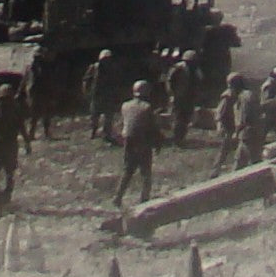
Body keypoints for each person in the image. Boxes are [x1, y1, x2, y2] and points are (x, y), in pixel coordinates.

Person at [113, 80, 164, 208]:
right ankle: (144, 199)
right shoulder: (147, 107)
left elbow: (124, 123)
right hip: (142, 141)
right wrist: (158, 143)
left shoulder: (125, 105)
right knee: (146, 172)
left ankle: (117, 197)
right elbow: (153, 128)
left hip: (128, 140)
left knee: (127, 170)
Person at [0, 83, 31, 213]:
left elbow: (22, 127)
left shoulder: (15, 109)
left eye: (8, 99)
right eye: (4, 99)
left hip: (10, 145)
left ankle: (7, 197)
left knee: (9, 173)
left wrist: (27, 142)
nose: (6, 102)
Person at [82, 49, 120, 143]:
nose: (107, 61)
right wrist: (86, 92)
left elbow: (116, 81)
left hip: (108, 94)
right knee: (94, 115)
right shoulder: (94, 67)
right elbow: (86, 80)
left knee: (108, 115)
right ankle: (93, 132)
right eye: (105, 59)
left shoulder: (112, 68)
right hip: (96, 95)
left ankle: (107, 133)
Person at [166, 49, 200, 147]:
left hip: (189, 97)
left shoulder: (195, 69)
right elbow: (169, 81)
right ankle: (176, 139)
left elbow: (199, 81)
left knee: (186, 118)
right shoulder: (178, 68)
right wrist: (172, 94)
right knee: (178, 118)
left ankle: (181, 138)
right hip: (178, 97)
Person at [20, 46, 56, 140]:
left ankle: (46, 133)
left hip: (43, 92)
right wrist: (20, 92)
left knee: (46, 114)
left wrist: (51, 93)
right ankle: (31, 134)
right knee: (34, 115)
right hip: (33, 93)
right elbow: (24, 80)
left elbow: (49, 80)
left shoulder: (45, 67)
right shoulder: (30, 68)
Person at [209, 73, 239, 178]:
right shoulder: (228, 96)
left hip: (233, 124)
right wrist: (219, 125)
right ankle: (215, 171)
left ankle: (236, 167)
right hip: (228, 126)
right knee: (224, 150)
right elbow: (219, 113)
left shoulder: (235, 93)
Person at [232, 73, 265, 169]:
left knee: (254, 160)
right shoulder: (249, 95)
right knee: (240, 159)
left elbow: (243, 117)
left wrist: (236, 132)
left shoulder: (243, 98)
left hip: (248, 133)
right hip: (253, 131)